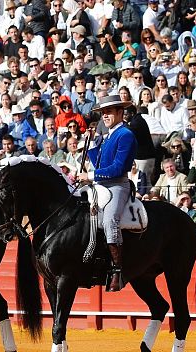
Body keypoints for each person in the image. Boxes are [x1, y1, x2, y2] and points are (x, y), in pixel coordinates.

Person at [77, 95, 138, 292]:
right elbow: (100, 164)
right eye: (103, 112)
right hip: (101, 184)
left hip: (117, 185)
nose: (105, 116)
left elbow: (118, 168)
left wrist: (90, 175)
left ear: (120, 112)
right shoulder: (108, 135)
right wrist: (93, 145)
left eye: (109, 112)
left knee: (110, 220)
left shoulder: (125, 135)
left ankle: (117, 270)